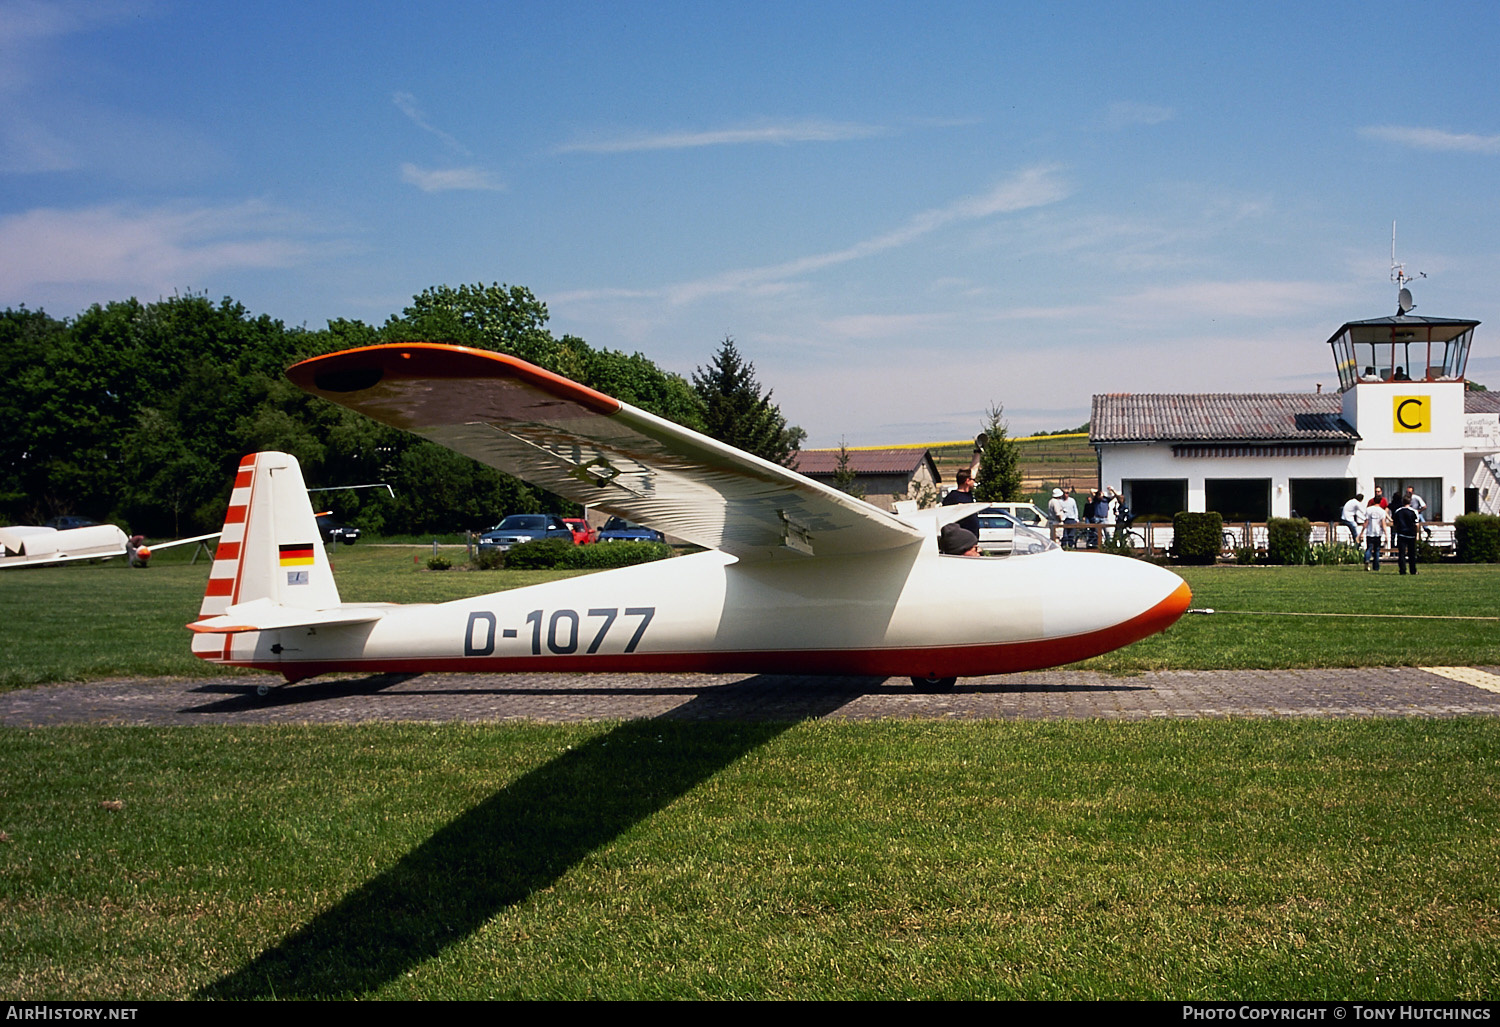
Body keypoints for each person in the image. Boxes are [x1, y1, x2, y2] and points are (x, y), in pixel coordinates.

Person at [1392, 494, 1420, 575]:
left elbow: (1395, 524)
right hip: (1411, 535)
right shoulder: (1413, 511)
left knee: (1401, 553)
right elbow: (1416, 524)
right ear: (1410, 502)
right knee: (1412, 554)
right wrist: (1417, 534)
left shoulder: (1398, 511)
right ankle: (1413, 570)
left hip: (1401, 534)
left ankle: (1402, 570)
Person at [1363, 495, 1388, 571]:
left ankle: (1367, 560)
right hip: (1377, 532)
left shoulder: (1368, 510)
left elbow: (1366, 522)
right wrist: (1386, 534)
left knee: (1369, 548)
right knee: (1377, 550)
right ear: (1380, 501)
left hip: (1370, 532)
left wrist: (1361, 532)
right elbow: (1383, 523)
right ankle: (1376, 567)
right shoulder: (1382, 511)